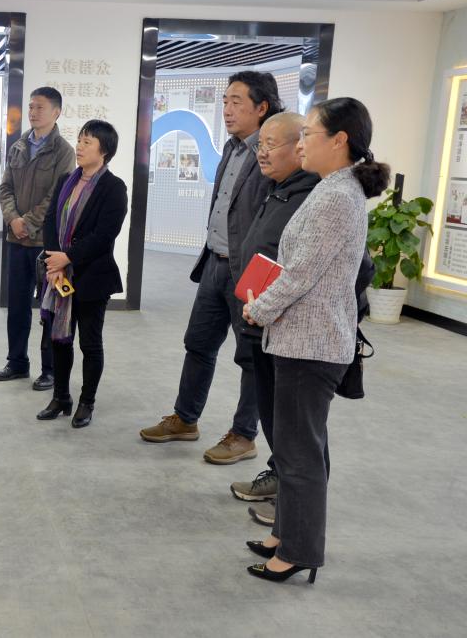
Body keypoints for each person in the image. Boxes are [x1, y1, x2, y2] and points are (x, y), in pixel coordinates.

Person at [242, 97, 388, 583]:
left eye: (309, 134)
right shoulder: (334, 188)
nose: (301, 143)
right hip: (306, 339)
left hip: (311, 344)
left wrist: (259, 308)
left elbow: (301, 273)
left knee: (299, 454)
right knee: (294, 448)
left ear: (339, 140)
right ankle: (285, 534)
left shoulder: (335, 197)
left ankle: (298, 551)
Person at [140, 72, 281, 464]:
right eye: (224, 101)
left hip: (247, 271)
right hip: (214, 262)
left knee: (251, 358)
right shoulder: (232, 148)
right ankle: (185, 419)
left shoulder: (270, 154)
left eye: (237, 102)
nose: (227, 109)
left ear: (262, 107)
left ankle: (244, 435)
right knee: (198, 344)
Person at [228, 112, 320, 505]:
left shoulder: (315, 198)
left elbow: (306, 272)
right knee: (272, 412)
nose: (262, 153)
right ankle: (280, 480)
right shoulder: (278, 188)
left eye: (271, 144)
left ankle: (292, 504)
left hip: (288, 327)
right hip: (261, 319)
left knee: (294, 423)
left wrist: (268, 306)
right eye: (260, 145)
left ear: (300, 146)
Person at [36, 120, 127, 428]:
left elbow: (105, 235)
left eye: (87, 142)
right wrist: (55, 260)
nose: (79, 146)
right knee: (59, 339)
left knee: (90, 343)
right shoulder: (66, 180)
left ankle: (87, 402)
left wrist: (69, 257)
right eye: (79, 140)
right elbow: (50, 220)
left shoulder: (114, 188)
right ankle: (61, 397)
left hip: (91, 278)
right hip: (59, 274)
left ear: (104, 150)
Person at [0, 87, 76, 390]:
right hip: (17, 241)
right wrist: (13, 219)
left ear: (56, 112)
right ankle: (17, 363)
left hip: (46, 245)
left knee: (49, 308)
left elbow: (57, 197)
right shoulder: (18, 146)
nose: (33, 112)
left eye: (40, 107)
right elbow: (5, 188)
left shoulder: (64, 152)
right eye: (31, 106)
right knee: (17, 306)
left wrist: (26, 223)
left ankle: (50, 370)